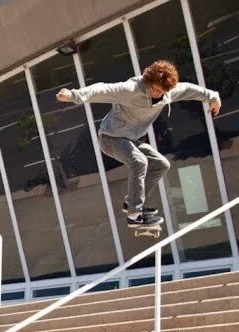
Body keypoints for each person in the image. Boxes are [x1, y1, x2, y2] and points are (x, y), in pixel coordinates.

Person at [56, 60, 221, 230]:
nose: (158, 94)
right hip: (110, 138)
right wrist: (73, 95)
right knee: (139, 162)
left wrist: (213, 97)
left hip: (130, 140)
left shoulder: (168, 92)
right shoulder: (132, 89)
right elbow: (103, 89)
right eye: (156, 90)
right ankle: (134, 215)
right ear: (148, 82)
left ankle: (131, 204)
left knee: (161, 164)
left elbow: (188, 89)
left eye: (162, 91)